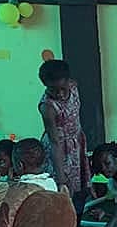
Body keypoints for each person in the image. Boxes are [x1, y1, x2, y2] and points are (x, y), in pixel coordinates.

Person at [38, 59, 89, 203]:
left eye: (62, 88)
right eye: (53, 90)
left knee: (80, 190)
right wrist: (61, 179)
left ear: (68, 81)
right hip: (59, 151)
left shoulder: (73, 86)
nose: (59, 94)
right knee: (64, 194)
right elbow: (54, 142)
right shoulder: (47, 107)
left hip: (76, 143)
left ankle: (76, 222)